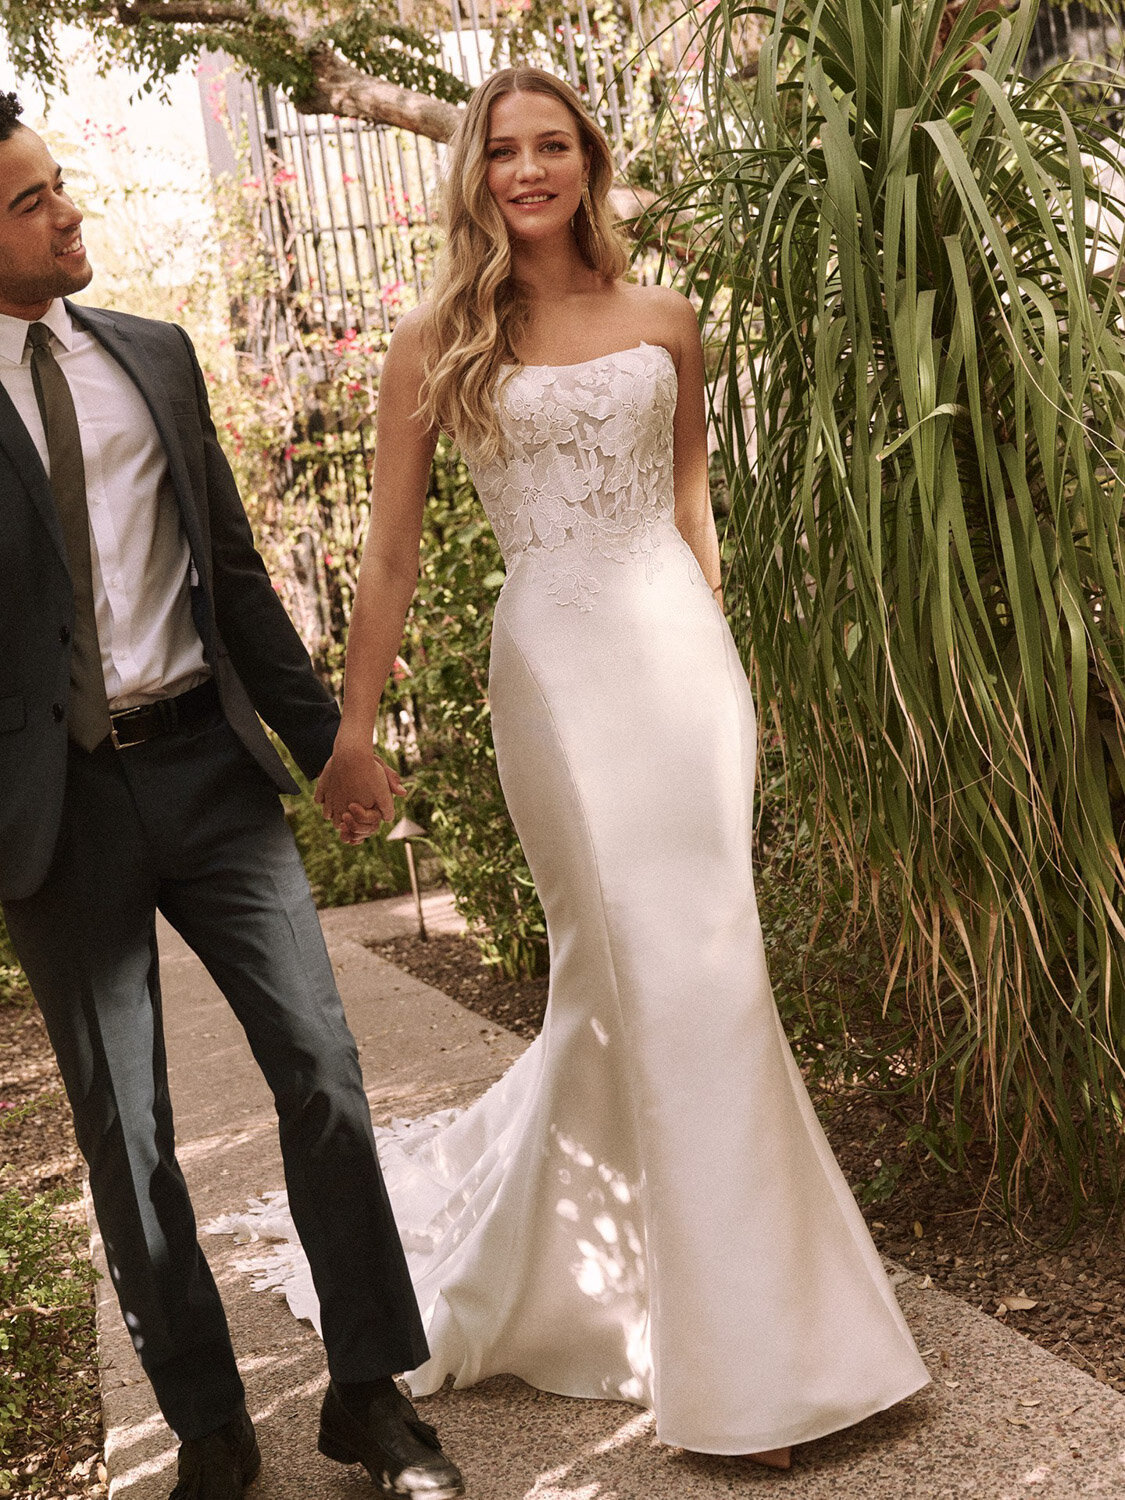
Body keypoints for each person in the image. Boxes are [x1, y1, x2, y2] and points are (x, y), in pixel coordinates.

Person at [227, 65, 930, 1465]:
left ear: (587, 162)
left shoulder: (666, 318)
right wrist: (349, 730)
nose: (529, 171)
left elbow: (688, 516)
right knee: (652, 975)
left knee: (701, 978)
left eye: (554, 146)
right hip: (553, 675)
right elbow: (388, 554)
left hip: (681, 677)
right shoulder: (436, 337)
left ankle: (748, 1318)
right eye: (505, 152)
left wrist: (724, 675)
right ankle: (743, 1374)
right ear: (475, 175)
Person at [0, 94, 464, 1500]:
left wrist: (335, 742)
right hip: (56, 813)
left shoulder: (154, 357)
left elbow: (240, 577)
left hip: (208, 767)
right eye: (30, 201)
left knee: (321, 1071)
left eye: (58, 185)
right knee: (128, 1139)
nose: (69, 211)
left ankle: (370, 1396)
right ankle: (210, 1429)